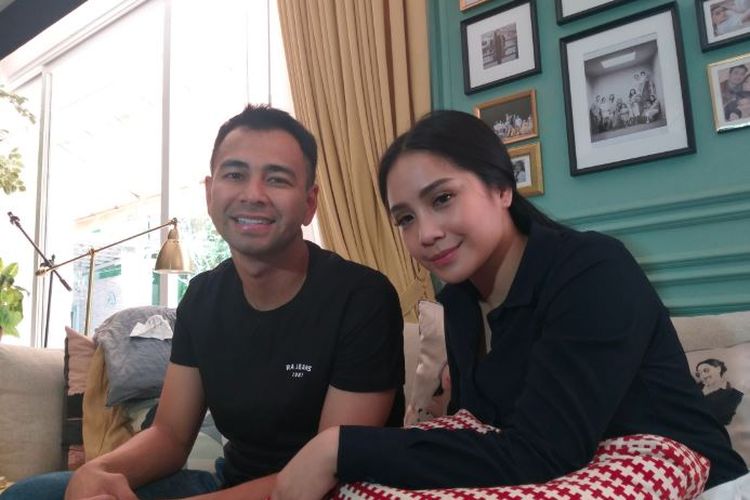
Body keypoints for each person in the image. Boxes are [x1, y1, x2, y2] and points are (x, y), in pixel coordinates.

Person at [271, 110, 748, 500]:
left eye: (443, 198)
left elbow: (543, 451)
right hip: (564, 473)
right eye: (406, 219)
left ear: (502, 188)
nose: (426, 233)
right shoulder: (458, 303)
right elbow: (482, 436)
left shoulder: (592, 270)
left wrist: (339, 446)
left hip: (690, 479)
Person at [2, 105, 405, 500]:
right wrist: (102, 471)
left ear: (309, 203)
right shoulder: (203, 298)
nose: (253, 194)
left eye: (277, 179)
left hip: (333, 492)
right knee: (31, 494)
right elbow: (170, 436)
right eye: (235, 175)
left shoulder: (362, 299)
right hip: (229, 485)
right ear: (210, 193)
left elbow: (330, 471)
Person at [696, 359, 745, 426]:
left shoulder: (734, 395)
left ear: (718, 369)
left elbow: (724, 421)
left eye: (706, 370)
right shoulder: (695, 386)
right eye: (699, 374)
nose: (702, 376)